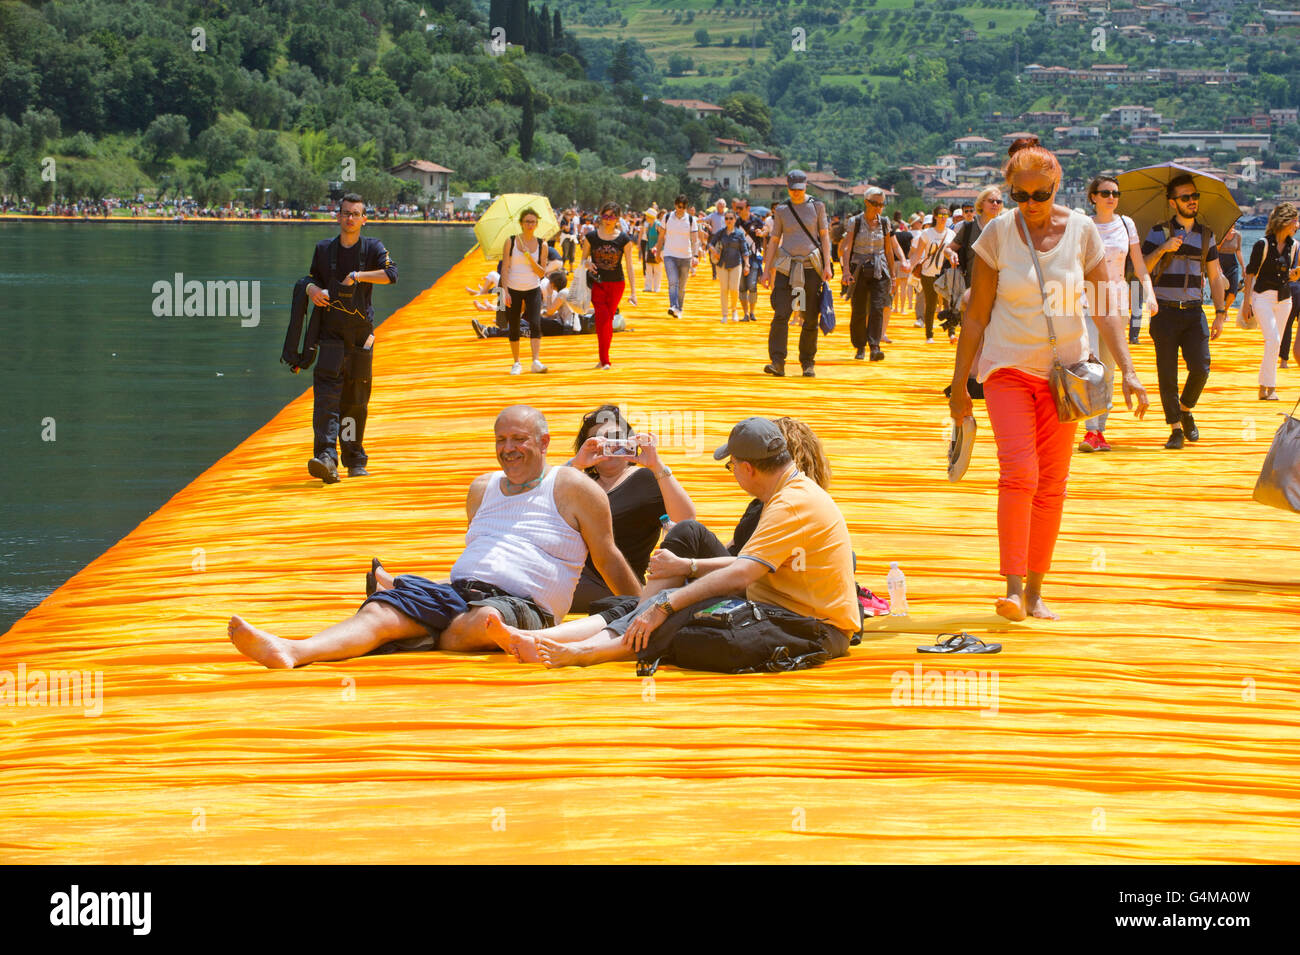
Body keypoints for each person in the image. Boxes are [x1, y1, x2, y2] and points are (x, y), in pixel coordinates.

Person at [228, 406, 642, 668]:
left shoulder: (572, 486)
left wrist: (644, 610)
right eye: (501, 440)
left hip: (525, 604)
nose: (509, 448)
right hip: (458, 592)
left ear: (545, 443)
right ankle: (294, 650)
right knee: (379, 610)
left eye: (519, 440)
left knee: (484, 621)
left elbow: (606, 558)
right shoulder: (483, 488)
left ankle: (418, 626)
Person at [948, 137, 1149, 623]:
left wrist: (1128, 369)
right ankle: (1014, 589)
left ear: (1058, 188)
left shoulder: (1082, 232)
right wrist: (959, 387)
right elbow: (975, 317)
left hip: (1067, 375)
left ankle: (1036, 591)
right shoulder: (997, 233)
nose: (1031, 206)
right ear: (1009, 191)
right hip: (1008, 370)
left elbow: (1105, 310)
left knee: (1053, 483)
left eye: (1041, 195)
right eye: (1020, 196)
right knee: (1021, 473)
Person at [492, 417, 859, 669]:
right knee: (648, 599)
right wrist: (681, 577)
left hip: (812, 627)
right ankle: (560, 639)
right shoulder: (787, 495)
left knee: (674, 607)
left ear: (748, 468)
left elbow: (741, 573)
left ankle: (586, 651)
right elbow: (745, 564)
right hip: (782, 605)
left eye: (731, 467)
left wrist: (666, 604)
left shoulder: (791, 504)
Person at [643, 417, 833, 596]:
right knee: (685, 536)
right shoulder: (771, 501)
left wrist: (688, 565)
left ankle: (638, 614)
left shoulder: (787, 506)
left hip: (748, 584)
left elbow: (748, 567)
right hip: (739, 571)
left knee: (688, 532)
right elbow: (734, 547)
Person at [304, 193, 398, 484]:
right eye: (345, 213)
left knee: (355, 400)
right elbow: (309, 280)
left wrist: (358, 275)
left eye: (355, 214)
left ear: (364, 219)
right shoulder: (323, 250)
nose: (349, 219)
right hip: (331, 335)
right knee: (326, 398)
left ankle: (354, 458)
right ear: (338, 216)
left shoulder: (373, 247)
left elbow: (391, 275)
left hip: (359, 337)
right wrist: (312, 292)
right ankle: (326, 457)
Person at [565, 405, 696, 613]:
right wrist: (576, 464)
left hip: (611, 583)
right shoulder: (578, 481)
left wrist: (656, 465)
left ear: (629, 441)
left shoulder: (644, 479)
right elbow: (539, 507)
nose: (609, 444)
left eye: (616, 437)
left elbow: (687, 520)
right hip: (568, 573)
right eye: (598, 441)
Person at [1141, 173, 1230, 449]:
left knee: (1201, 367)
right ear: (1172, 203)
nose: (1192, 201)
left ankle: (1186, 408)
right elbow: (1139, 268)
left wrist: (1220, 312)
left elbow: (1215, 277)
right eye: (1185, 197)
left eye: (1194, 196)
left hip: (1194, 312)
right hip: (1164, 313)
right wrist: (1163, 249)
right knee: (1167, 374)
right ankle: (1175, 428)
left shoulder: (1207, 235)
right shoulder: (1158, 232)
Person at [1078, 175, 1156, 452]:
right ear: (1093, 197)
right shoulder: (1084, 225)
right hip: (1088, 300)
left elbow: (1138, 264)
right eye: (1105, 192)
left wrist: (1149, 293)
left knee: (1110, 367)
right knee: (1090, 365)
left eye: (1115, 193)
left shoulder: (1126, 224)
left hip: (1118, 301)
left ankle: (1100, 430)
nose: (1112, 197)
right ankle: (1089, 430)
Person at [761, 169, 833, 378]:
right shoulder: (782, 210)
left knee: (809, 316)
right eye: (792, 190)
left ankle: (808, 363)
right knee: (781, 312)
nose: (796, 193)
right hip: (786, 266)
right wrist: (767, 271)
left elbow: (825, 237)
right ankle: (777, 361)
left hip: (811, 266)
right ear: (787, 188)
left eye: (799, 190)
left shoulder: (818, 206)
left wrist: (827, 265)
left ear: (805, 187)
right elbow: (774, 240)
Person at [1239, 203, 1300, 401]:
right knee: (1273, 340)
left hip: (1284, 299)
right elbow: (1250, 274)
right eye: (1295, 221)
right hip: (1262, 297)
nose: (1297, 225)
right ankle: (1270, 387)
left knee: (1274, 343)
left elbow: (1289, 277)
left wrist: (1293, 275)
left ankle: (1263, 387)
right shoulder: (1262, 245)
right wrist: (1247, 302)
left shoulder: (1295, 246)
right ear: (1285, 221)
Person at [840, 186, 904, 361]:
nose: (878, 207)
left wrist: (893, 275)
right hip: (859, 269)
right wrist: (846, 270)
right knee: (859, 309)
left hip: (879, 269)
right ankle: (860, 346)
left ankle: (874, 346)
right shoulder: (855, 222)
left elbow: (889, 250)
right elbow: (846, 247)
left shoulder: (884, 222)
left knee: (877, 308)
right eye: (875, 203)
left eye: (882, 204)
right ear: (866, 202)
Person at [501, 207, 563, 375]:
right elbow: (505, 268)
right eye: (527, 221)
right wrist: (504, 291)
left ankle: (535, 360)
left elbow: (542, 272)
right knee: (513, 325)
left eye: (533, 222)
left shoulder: (541, 244)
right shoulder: (511, 241)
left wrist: (529, 257)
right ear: (521, 223)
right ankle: (516, 362)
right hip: (512, 288)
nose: (530, 224)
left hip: (532, 288)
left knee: (535, 323)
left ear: (537, 224)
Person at [582, 201, 638, 370]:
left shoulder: (624, 240)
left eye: (612, 216)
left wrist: (634, 292)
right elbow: (583, 259)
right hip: (597, 283)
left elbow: (629, 266)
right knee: (603, 318)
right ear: (601, 216)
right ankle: (605, 360)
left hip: (616, 284)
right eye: (605, 216)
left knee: (607, 320)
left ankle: (602, 358)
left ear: (617, 219)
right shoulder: (591, 237)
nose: (608, 220)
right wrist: (587, 264)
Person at [911, 205, 958, 344]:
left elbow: (954, 252)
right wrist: (910, 264)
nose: (943, 218)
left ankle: (951, 333)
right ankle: (929, 335)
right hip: (928, 273)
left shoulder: (951, 234)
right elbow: (918, 253)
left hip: (946, 273)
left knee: (948, 303)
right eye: (941, 215)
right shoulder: (926, 234)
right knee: (931, 304)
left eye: (946, 215)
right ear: (935, 216)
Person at [653, 194, 700, 318]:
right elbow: (661, 236)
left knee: (682, 285)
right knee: (673, 281)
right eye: (679, 206)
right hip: (670, 255)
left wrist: (695, 255)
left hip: (686, 256)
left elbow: (695, 240)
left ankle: (679, 308)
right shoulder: (667, 218)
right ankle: (673, 305)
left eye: (684, 207)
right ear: (675, 205)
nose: (681, 209)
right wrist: (658, 252)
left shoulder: (691, 220)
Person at [708, 209, 755, 323]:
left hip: (736, 264)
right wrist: (714, 252)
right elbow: (710, 243)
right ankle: (725, 314)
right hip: (722, 264)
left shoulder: (739, 233)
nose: (728, 221)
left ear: (735, 220)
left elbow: (744, 250)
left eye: (731, 218)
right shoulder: (721, 232)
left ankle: (734, 310)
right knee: (724, 289)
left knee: (734, 289)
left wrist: (747, 265)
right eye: (726, 218)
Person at [732, 197, 766, 322]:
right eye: (737, 208)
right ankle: (745, 314)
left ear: (748, 208)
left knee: (752, 286)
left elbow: (765, 231)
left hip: (754, 257)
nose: (738, 210)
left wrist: (761, 232)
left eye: (740, 208)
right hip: (739, 258)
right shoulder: (736, 222)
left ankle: (752, 312)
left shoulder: (756, 221)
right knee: (741, 287)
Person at [1218, 223, 1244, 311]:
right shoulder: (1220, 233)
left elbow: (1238, 251)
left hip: (1232, 263)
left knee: (1233, 291)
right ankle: (1220, 311)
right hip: (1220, 261)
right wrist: (1222, 239)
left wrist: (1243, 267)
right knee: (1220, 290)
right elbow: (1215, 250)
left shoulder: (1238, 235)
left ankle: (1225, 310)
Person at [702, 199, 728, 279]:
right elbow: (704, 219)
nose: (721, 206)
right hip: (714, 237)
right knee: (712, 255)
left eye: (723, 204)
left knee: (724, 254)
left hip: (724, 237)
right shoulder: (713, 215)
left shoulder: (727, 215)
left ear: (725, 206)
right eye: (720, 204)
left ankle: (723, 272)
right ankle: (714, 273)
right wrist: (696, 220)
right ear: (717, 206)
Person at [641, 210, 663, 293]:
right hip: (649, 249)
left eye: (647, 216)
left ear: (651, 217)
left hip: (658, 250)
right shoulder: (649, 225)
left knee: (657, 269)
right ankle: (648, 287)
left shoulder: (658, 224)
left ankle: (657, 288)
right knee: (648, 268)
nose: (645, 217)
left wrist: (656, 247)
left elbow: (662, 237)